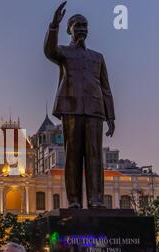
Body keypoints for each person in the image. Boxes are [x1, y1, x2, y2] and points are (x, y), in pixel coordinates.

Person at [44, 1, 115, 208]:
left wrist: (111, 116)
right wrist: (53, 26)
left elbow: (106, 87)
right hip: (71, 108)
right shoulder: (64, 53)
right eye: (78, 26)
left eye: (85, 26)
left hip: (95, 110)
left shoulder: (97, 57)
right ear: (70, 30)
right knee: (73, 155)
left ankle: (96, 200)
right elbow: (49, 51)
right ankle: (74, 200)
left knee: (95, 156)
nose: (82, 30)